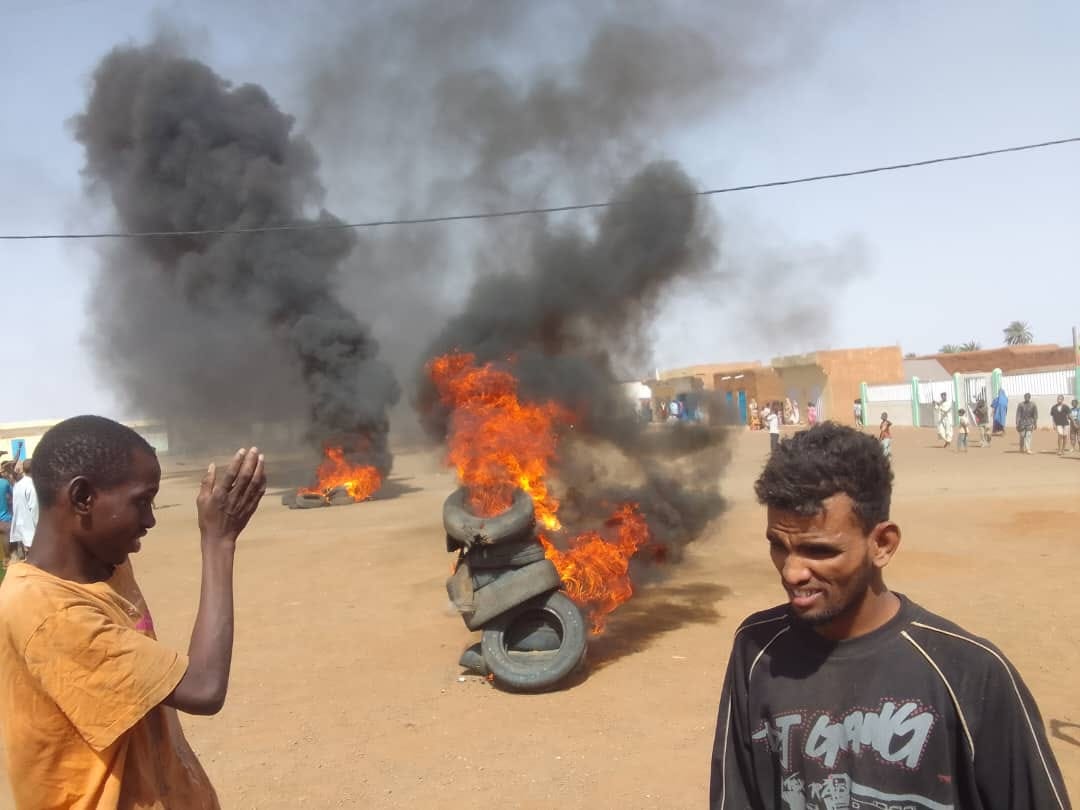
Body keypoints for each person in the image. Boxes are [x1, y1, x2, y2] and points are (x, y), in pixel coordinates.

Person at [708, 423, 1071, 809]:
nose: (792, 571)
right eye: (779, 547)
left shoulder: (969, 672)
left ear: (882, 544)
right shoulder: (758, 649)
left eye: (819, 551)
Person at [0, 415, 267, 809]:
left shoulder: (104, 568)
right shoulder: (45, 612)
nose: (150, 519)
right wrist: (219, 541)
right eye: (141, 501)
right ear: (82, 498)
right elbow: (203, 688)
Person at [9, 459, 38, 561]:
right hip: (30, 527)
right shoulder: (31, 485)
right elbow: (34, 509)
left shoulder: (18, 484)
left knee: (28, 557)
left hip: (21, 524)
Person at [0, 462, 12, 566]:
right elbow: (12, 495)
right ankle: (6, 559)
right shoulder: (4, 482)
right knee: (5, 537)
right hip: (4, 517)